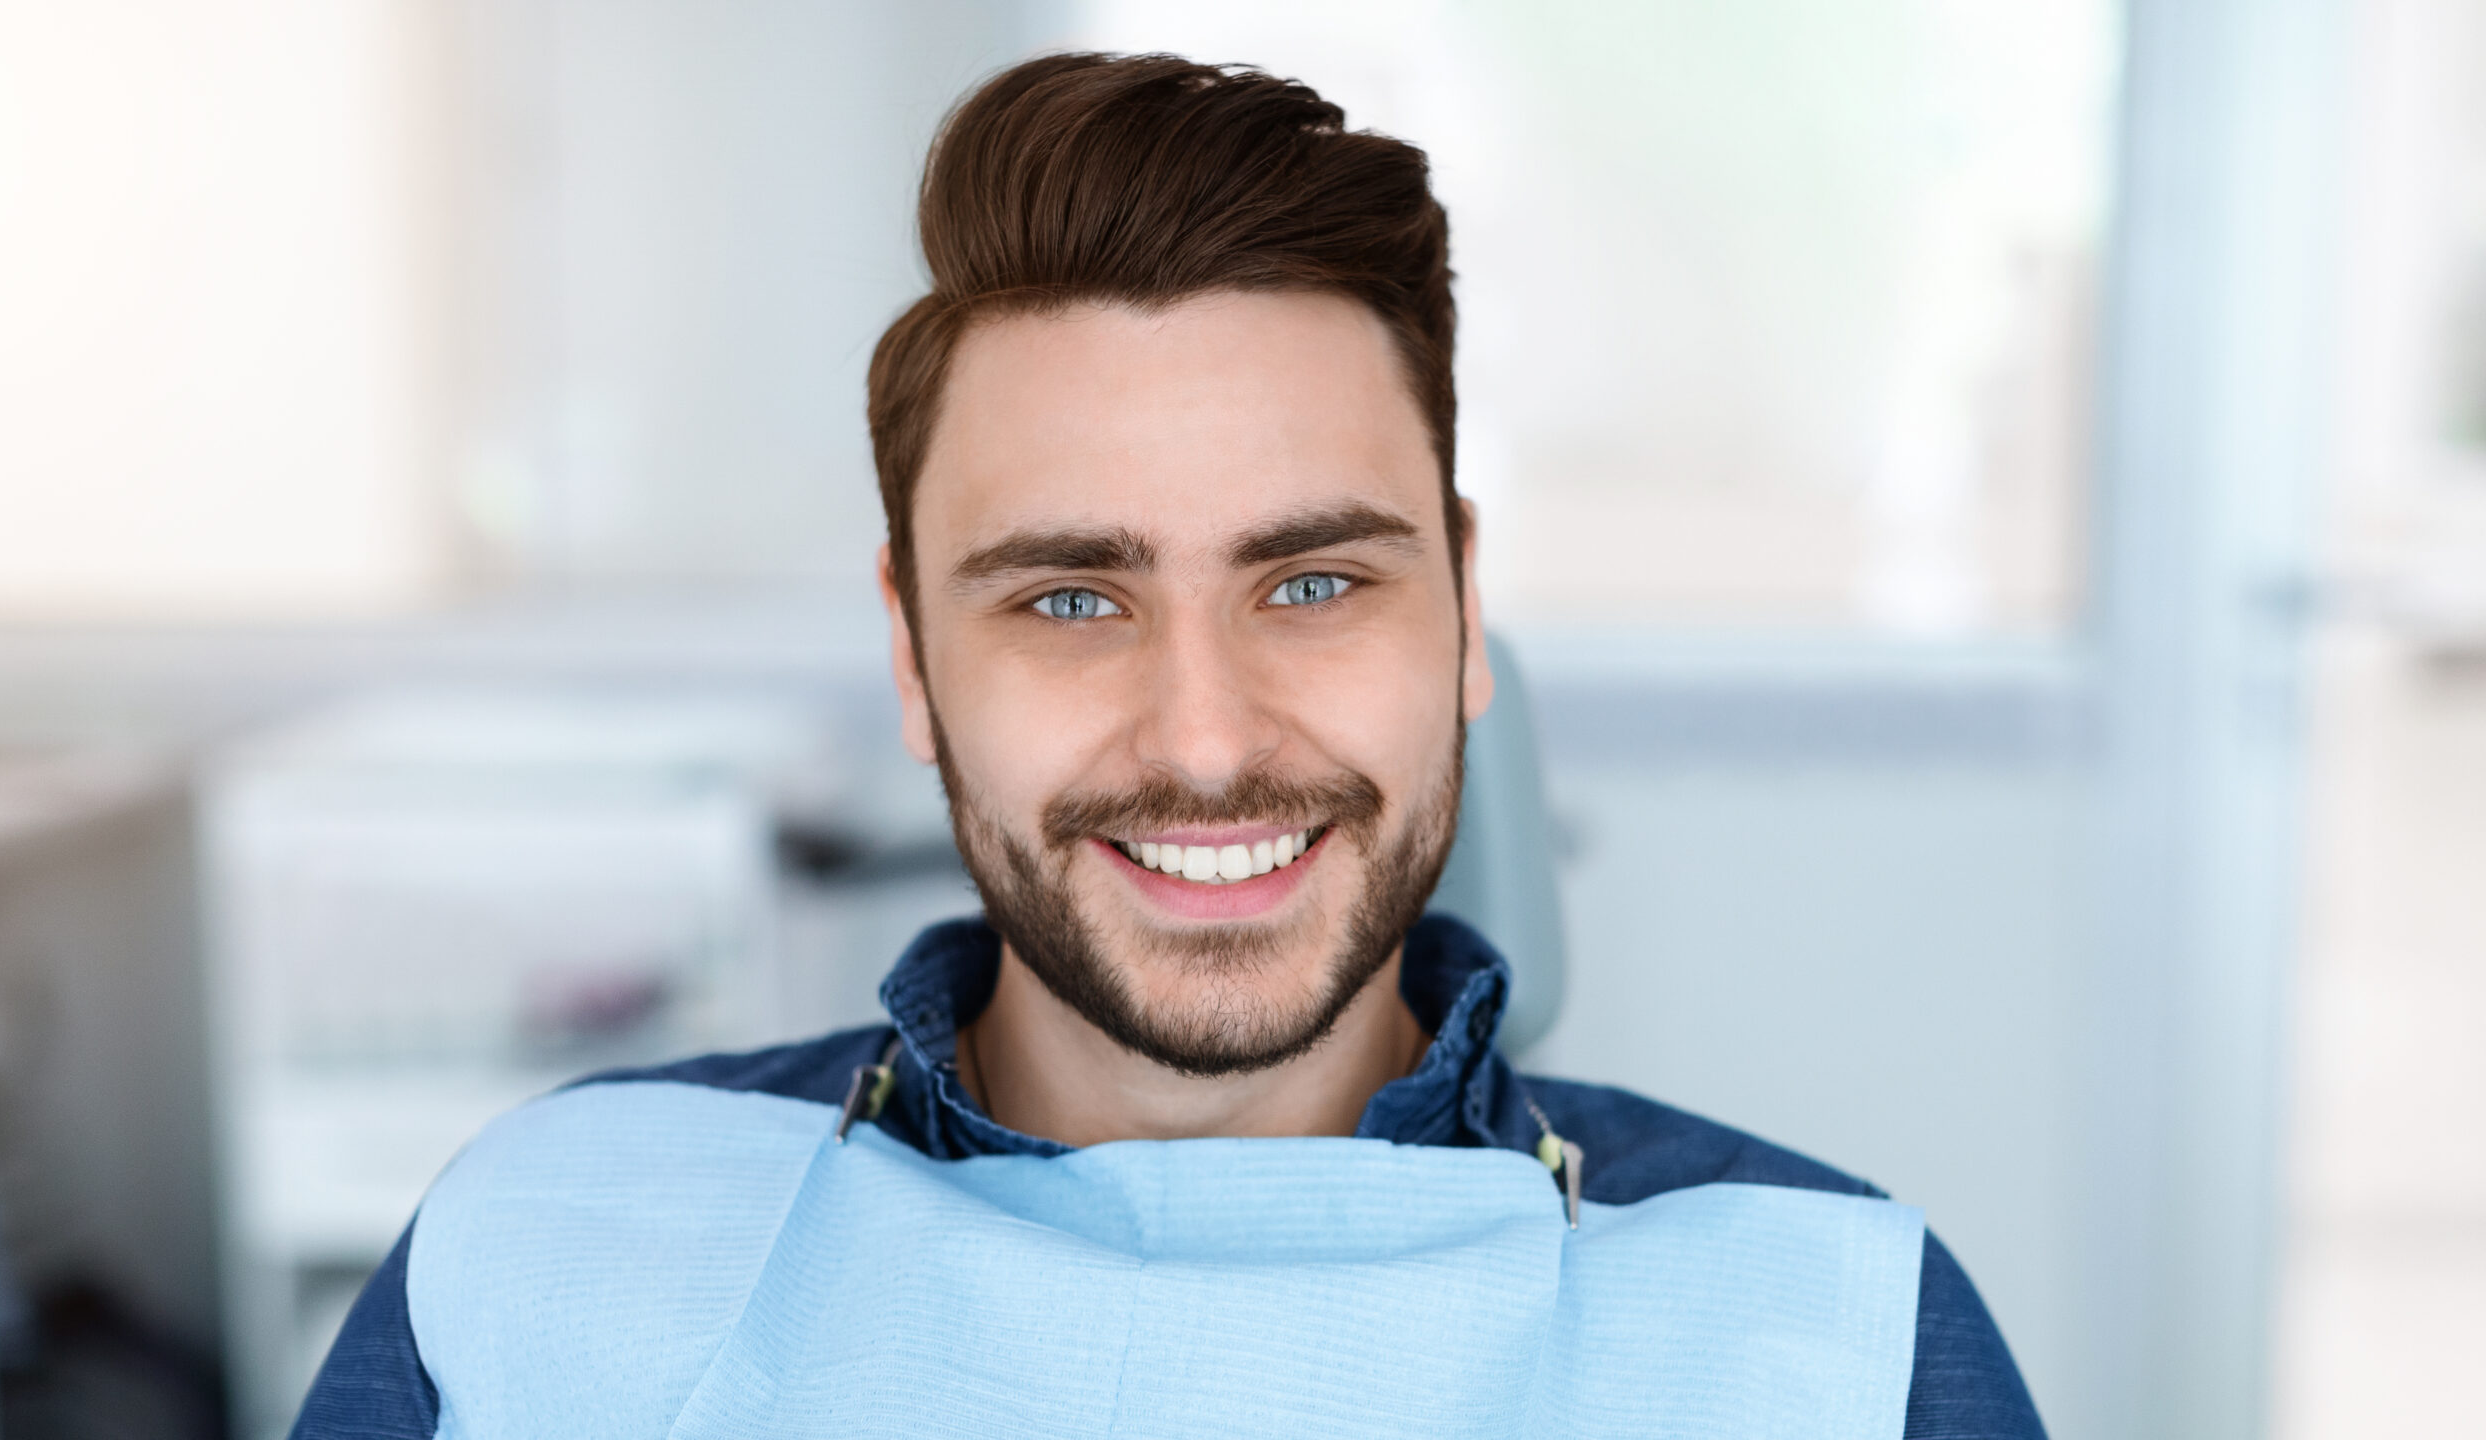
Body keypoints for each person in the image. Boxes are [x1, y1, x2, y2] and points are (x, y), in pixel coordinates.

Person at [294, 52, 2045, 1439]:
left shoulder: (1828, 1330)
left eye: (1314, 583)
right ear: (912, 654)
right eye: (1070, 599)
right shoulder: (559, 1242)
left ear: (1463, 613)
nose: (1205, 742)